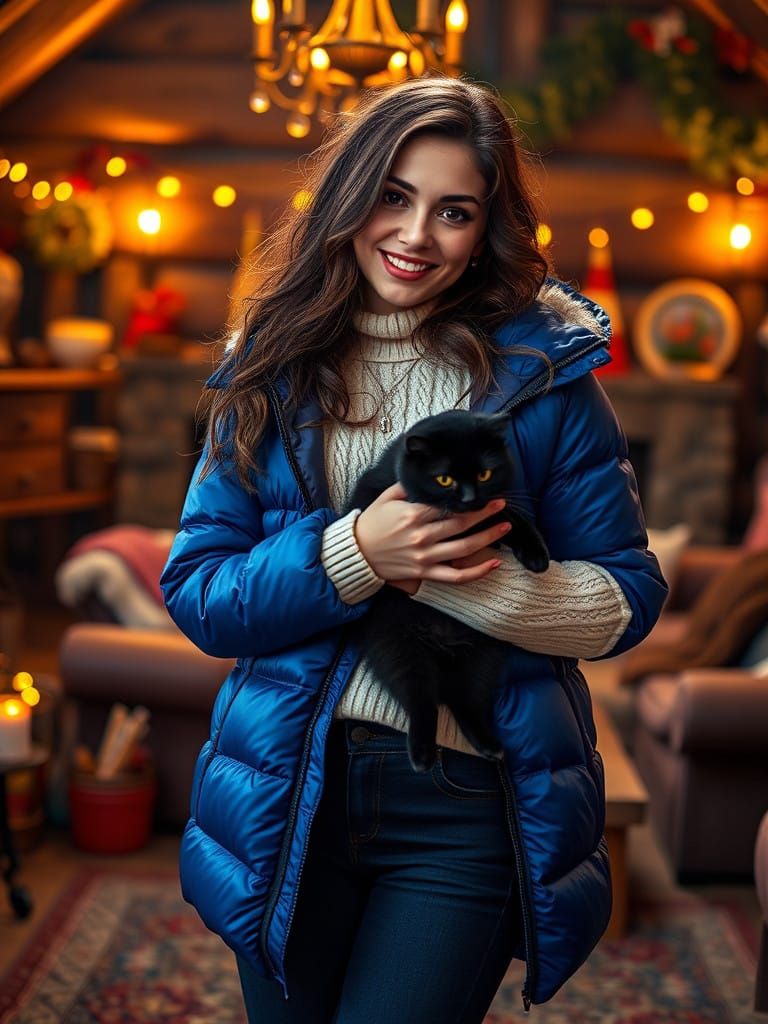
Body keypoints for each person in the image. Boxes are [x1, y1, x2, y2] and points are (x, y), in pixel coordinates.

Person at [160, 75, 667, 1023]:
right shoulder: (267, 367)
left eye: (454, 212)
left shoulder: (546, 379)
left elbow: (627, 596)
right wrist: (355, 553)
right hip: (286, 798)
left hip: (464, 795)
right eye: (394, 196)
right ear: (351, 195)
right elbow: (199, 592)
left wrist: (454, 579)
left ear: (486, 230)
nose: (415, 234)